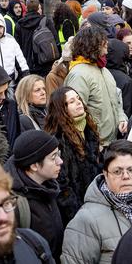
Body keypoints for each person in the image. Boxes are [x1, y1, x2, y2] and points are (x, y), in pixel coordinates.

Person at [4, 129, 66, 261]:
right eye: (53, 157)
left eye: (58, 154)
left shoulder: (48, 187)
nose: (60, 161)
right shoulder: (14, 205)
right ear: (34, 166)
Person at [44, 87, 102, 223]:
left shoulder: (89, 129)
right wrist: (79, 216)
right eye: (71, 101)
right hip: (75, 213)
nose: (78, 102)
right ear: (62, 109)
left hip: (94, 202)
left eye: (78, 98)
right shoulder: (58, 140)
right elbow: (61, 185)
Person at [64, 26, 127, 145]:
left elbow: (116, 100)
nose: (106, 45)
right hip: (95, 145)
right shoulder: (79, 74)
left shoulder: (103, 70)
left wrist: (121, 118)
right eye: (103, 42)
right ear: (92, 44)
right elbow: (74, 115)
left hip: (111, 141)